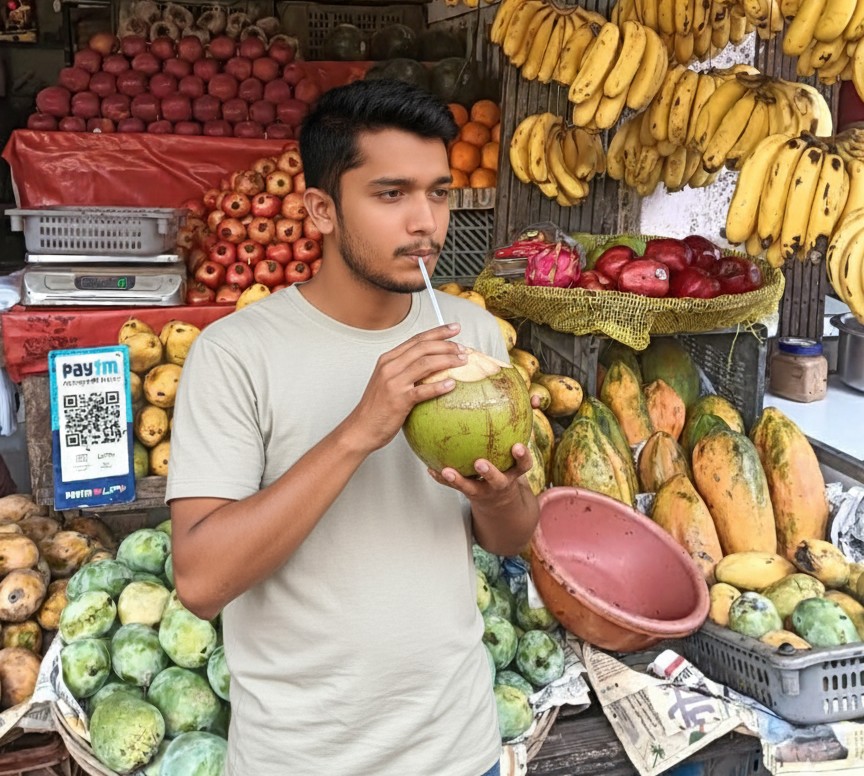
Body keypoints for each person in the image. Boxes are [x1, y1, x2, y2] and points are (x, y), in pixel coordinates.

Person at [166, 78, 540, 776]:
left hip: (458, 746)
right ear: (322, 210)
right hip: (301, 757)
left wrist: (500, 496)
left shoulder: (474, 337)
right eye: (391, 194)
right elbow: (201, 580)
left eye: (438, 193)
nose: (425, 223)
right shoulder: (237, 354)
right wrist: (358, 432)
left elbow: (510, 538)